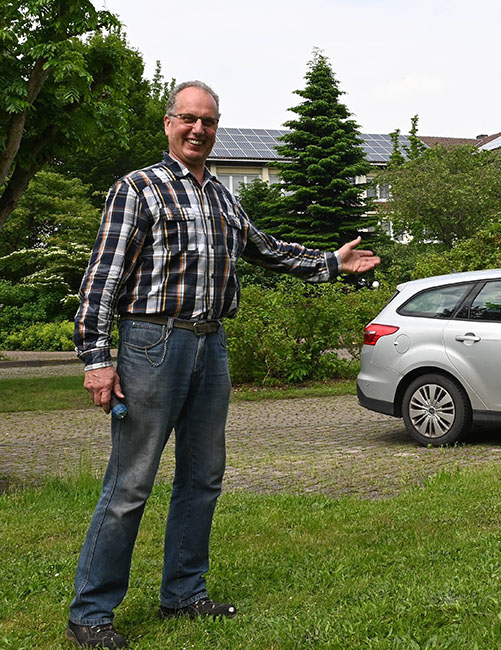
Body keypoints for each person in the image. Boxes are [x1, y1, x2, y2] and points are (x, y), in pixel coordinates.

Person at [66, 80, 380, 648]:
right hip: (150, 343)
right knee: (131, 482)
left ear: (216, 127)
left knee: (203, 478)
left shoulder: (223, 198)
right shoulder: (138, 189)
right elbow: (102, 278)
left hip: (211, 345)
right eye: (188, 119)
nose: (198, 130)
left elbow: (266, 249)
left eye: (208, 122)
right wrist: (96, 358)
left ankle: (184, 593)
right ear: (168, 124)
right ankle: (91, 611)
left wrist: (331, 262)